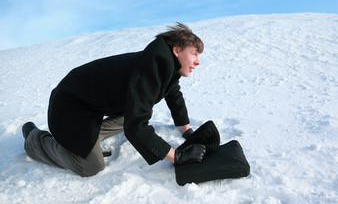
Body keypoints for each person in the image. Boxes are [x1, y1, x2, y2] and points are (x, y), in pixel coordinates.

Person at [22, 22, 206, 177]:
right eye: (194, 53)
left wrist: (186, 130)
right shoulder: (152, 67)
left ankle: (92, 137)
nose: (197, 61)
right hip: (69, 108)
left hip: (90, 106)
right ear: (176, 50)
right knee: (90, 166)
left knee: (135, 113)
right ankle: (35, 140)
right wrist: (177, 156)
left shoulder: (166, 67)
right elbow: (136, 127)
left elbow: (174, 94)